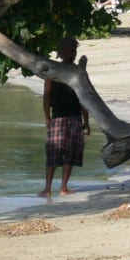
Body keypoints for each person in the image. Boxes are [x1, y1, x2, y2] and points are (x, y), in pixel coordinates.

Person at [39, 37, 90, 197]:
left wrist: (86, 121)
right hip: (59, 118)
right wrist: (47, 118)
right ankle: (48, 188)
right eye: (68, 51)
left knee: (69, 154)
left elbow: (84, 98)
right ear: (60, 52)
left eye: (73, 51)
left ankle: (63, 187)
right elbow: (47, 96)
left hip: (74, 118)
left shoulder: (78, 71)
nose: (71, 54)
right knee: (54, 154)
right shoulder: (53, 70)